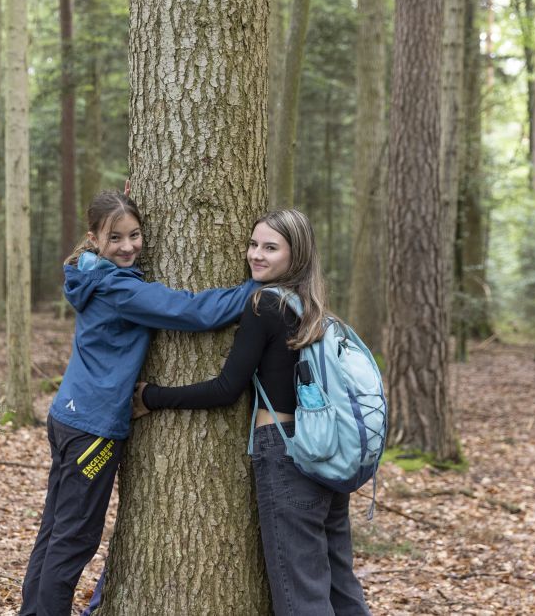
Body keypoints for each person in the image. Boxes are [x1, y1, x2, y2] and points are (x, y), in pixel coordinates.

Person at [18, 189, 258, 616]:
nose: (128, 246)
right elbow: (191, 311)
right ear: (94, 238)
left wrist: (126, 195)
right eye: (116, 238)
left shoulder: (88, 271)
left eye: (135, 234)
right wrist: (255, 288)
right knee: (73, 539)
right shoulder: (119, 289)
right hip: (93, 427)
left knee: (55, 532)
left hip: (68, 417)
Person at [134, 208, 372, 616]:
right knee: (340, 583)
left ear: (295, 255)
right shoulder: (315, 311)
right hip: (331, 453)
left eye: (270, 248)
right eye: (253, 244)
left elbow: (226, 389)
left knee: (301, 594)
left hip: (287, 456)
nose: (255, 255)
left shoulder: (264, 304)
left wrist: (151, 396)